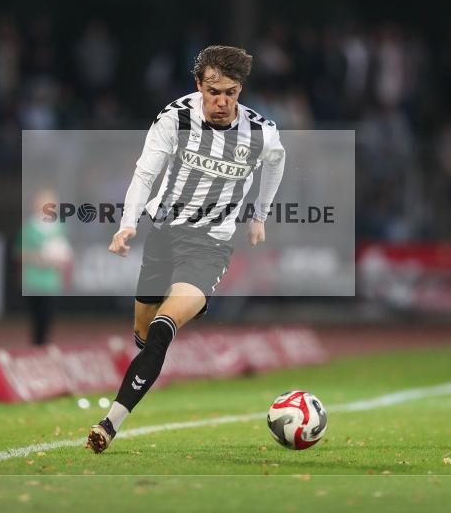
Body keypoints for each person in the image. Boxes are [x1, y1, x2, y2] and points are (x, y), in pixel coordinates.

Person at [86, 45, 286, 453]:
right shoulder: (174, 118)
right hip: (163, 234)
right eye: (213, 91)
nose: (222, 101)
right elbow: (145, 173)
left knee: (162, 328)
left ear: (240, 89)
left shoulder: (261, 131)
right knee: (143, 332)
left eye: (230, 92)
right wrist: (127, 225)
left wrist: (260, 215)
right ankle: (150, 355)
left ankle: (110, 423)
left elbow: (277, 161)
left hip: (211, 245)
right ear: (199, 85)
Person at [15, 189, 72, 345]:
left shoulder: (59, 227)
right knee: (36, 317)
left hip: (51, 282)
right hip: (33, 280)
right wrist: (41, 258)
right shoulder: (28, 227)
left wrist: (61, 262)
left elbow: (65, 252)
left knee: (47, 317)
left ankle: (42, 346)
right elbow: (20, 253)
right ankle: (37, 346)